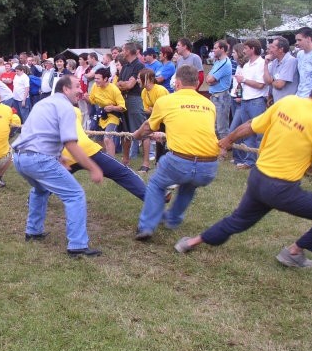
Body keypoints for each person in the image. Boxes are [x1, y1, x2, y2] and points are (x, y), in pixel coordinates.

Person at [175, 80, 312, 268]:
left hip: (258, 178)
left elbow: (251, 125)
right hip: (282, 190)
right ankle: (294, 252)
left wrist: (228, 139)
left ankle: (190, 242)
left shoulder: (289, 102)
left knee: (239, 220)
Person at [12, 76, 104, 257]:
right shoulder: (66, 107)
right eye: (77, 86)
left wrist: (58, 156)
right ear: (65, 89)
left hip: (19, 158)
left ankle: (33, 232)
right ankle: (77, 246)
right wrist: (93, 168)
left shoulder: (42, 103)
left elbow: (38, 134)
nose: (80, 90)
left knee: (40, 189)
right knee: (75, 195)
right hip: (38, 159)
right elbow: (71, 144)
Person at [133, 66, 220, 241]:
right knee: (190, 184)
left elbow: (148, 127)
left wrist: (135, 136)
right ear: (196, 84)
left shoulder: (166, 101)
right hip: (209, 167)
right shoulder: (209, 104)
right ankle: (172, 219)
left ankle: (146, 226)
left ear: (177, 83)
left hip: (180, 162)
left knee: (157, 185)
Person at [62, 106, 146, 201]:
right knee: (123, 173)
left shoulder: (46, 111)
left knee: (47, 182)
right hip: (86, 149)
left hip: (64, 154)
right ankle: (152, 198)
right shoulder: (74, 110)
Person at [232, 38, 268, 169]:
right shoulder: (246, 65)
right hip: (245, 101)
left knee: (259, 133)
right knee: (247, 133)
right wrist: (239, 89)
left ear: (253, 49)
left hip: (257, 101)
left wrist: (244, 80)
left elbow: (260, 84)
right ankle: (249, 161)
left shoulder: (262, 64)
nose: (244, 51)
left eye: (246, 48)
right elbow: (243, 83)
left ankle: (260, 161)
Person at [116, 42, 147, 166]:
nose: (121, 52)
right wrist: (124, 84)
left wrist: (124, 84)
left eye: (123, 50)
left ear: (128, 51)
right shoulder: (125, 66)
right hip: (125, 100)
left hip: (134, 99)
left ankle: (145, 163)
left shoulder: (138, 65)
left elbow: (130, 85)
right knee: (126, 132)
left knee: (142, 131)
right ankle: (125, 160)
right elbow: (118, 84)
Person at [87, 67, 126, 158]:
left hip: (113, 116)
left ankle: (113, 161)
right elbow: (92, 101)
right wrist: (86, 98)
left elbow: (122, 107)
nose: (95, 81)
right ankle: (105, 159)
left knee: (107, 138)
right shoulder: (95, 86)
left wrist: (112, 107)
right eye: (95, 78)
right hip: (101, 114)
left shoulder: (114, 89)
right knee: (98, 139)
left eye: (98, 79)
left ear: (105, 79)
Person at [206, 39, 233, 139]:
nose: (213, 50)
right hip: (214, 96)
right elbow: (208, 78)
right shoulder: (217, 62)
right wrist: (211, 80)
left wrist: (211, 80)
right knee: (215, 126)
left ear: (222, 49)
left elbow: (211, 79)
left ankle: (223, 151)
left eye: (215, 48)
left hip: (221, 97)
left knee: (222, 128)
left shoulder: (225, 63)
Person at [262, 36, 298, 104]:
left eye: (273, 47)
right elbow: (266, 81)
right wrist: (266, 64)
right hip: (277, 103)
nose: (270, 50)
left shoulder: (290, 61)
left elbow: (279, 85)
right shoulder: (275, 62)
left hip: (288, 105)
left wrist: (271, 81)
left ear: (281, 49)